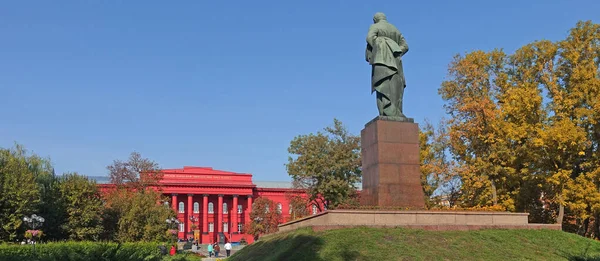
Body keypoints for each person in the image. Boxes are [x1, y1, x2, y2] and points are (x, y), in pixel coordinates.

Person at [365, 12, 410, 119]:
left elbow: (369, 38)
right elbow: (405, 46)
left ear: (375, 19)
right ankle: (396, 112)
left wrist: (381, 46)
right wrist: (396, 50)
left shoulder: (375, 26)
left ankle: (386, 112)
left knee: (383, 85)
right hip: (396, 63)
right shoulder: (395, 29)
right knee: (396, 88)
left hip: (381, 61)